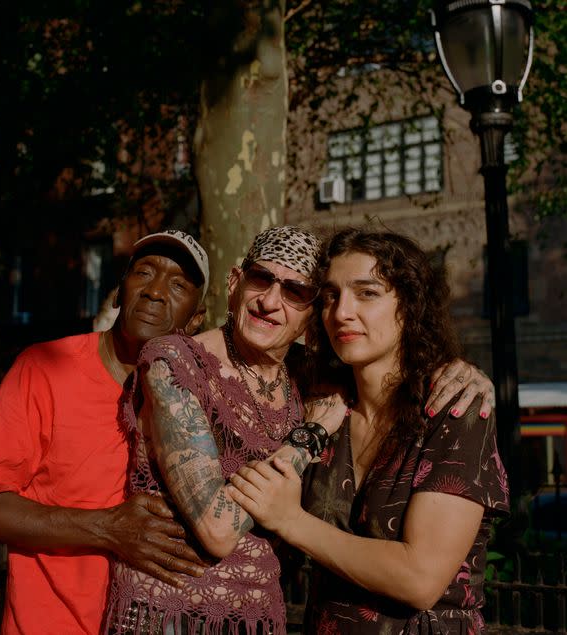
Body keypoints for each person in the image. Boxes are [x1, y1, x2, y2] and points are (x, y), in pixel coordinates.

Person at [104, 225, 497, 635]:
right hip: (169, 616)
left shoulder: (316, 382)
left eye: (297, 292)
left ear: (310, 314)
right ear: (236, 282)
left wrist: (467, 373)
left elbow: (420, 578)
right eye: (262, 279)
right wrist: (307, 437)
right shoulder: (179, 362)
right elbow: (218, 530)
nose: (271, 302)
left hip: (262, 621)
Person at [229, 227, 510, 634]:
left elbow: (420, 579)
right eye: (330, 296)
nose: (341, 312)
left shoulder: (455, 410)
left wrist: (291, 521)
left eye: (367, 293)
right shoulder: (321, 405)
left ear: (411, 306)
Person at [0, 230, 212, 635]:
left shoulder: (203, 400)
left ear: (197, 318)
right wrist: (109, 529)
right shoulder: (46, 368)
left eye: (178, 285)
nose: (155, 292)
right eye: (144, 272)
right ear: (120, 292)